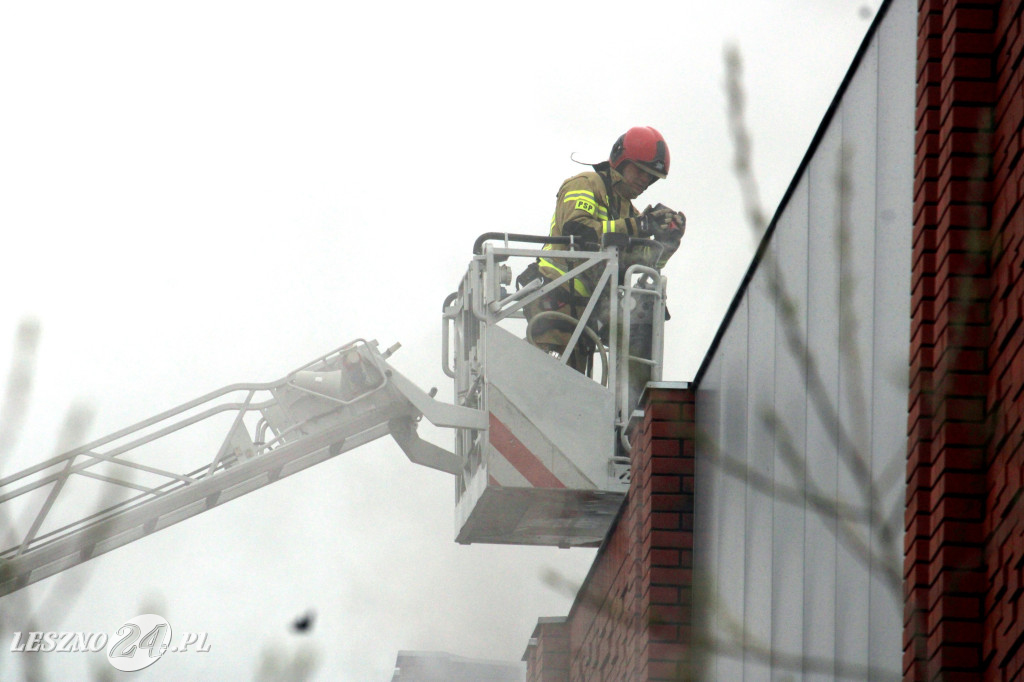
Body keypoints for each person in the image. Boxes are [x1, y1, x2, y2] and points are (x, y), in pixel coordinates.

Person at [522, 126, 685, 374]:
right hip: (556, 294)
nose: (645, 180)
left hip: (589, 308)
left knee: (573, 385)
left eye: (651, 177)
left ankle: (638, 390)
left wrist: (666, 243)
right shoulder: (586, 184)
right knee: (550, 380)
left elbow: (640, 264)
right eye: (640, 171)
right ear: (621, 161)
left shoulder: (629, 211)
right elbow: (577, 231)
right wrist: (640, 225)